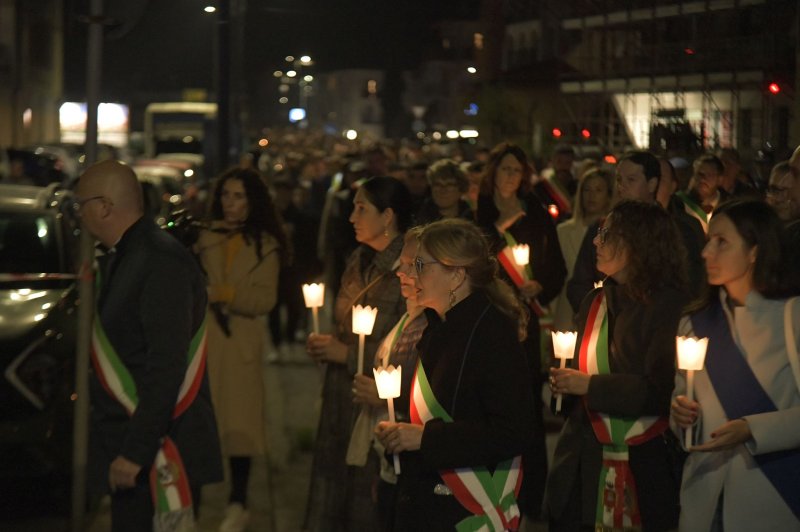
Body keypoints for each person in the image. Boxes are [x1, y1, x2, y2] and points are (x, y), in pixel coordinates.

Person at [78, 160, 222, 532]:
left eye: (81, 204)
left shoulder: (159, 261)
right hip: (138, 446)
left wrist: (134, 452)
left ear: (105, 207)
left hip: (156, 453)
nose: (78, 214)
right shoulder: (131, 255)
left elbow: (165, 365)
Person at [375, 218, 535, 531]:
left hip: (464, 508)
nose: (409, 274)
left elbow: (513, 431)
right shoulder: (440, 327)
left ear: (457, 275)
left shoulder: (491, 333)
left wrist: (425, 438)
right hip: (429, 500)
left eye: (421, 264)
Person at [546, 200, 687, 532]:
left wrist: (589, 386)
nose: (595, 242)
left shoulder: (668, 305)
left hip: (643, 463)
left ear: (638, 242)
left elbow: (660, 389)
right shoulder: (596, 301)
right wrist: (564, 384)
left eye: (606, 234)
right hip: (585, 459)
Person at [670, 199, 800, 531]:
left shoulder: (791, 316)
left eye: (721, 242)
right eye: (709, 241)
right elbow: (683, 404)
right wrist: (679, 413)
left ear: (755, 251)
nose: (706, 252)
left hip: (773, 496)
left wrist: (752, 429)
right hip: (705, 498)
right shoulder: (694, 323)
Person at [305, 176, 412, 531]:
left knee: (367, 500)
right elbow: (346, 324)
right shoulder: (358, 258)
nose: (351, 216)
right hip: (341, 396)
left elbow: (406, 346)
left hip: (374, 404)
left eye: (361, 208)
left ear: (388, 216)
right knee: (334, 489)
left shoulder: (407, 270)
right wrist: (328, 345)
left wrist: (347, 356)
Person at [193, 167, 287, 531]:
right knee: (199, 424)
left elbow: (266, 298)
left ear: (253, 201)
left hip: (240, 342)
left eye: (240, 197)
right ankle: (194, 504)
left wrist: (226, 294)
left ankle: (238, 500)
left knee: (240, 427)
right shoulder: (203, 236)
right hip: (203, 340)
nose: (231, 204)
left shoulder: (266, 244)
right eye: (226, 195)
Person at [476, 142, 567, 520]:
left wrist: (538, 285)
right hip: (487, 320)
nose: (510, 176)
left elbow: (557, 268)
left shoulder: (536, 216)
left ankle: (529, 499)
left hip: (524, 325)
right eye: (504, 169)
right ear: (493, 172)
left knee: (526, 405)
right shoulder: (479, 216)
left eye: (517, 170)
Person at [345, 228, 428, 532]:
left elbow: (440, 399)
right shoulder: (408, 318)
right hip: (390, 463)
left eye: (412, 265)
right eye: (401, 264)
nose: (400, 273)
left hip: (415, 468)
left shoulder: (433, 327)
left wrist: (383, 398)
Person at [567, 150, 705, 313]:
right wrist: (598, 314)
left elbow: (691, 284)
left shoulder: (678, 230)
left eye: (631, 180)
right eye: (619, 179)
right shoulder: (602, 226)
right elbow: (579, 283)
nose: (621, 186)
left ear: (652, 184)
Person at [552, 168, 613, 331]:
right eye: (587, 190)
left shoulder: (613, 232)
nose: (591, 196)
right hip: (566, 309)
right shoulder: (563, 230)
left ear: (608, 195)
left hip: (601, 310)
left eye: (598, 190)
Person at [414, 159, 474, 225]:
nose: (443, 190)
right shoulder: (416, 217)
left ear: (461, 188)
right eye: (437, 184)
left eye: (449, 184)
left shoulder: (473, 219)